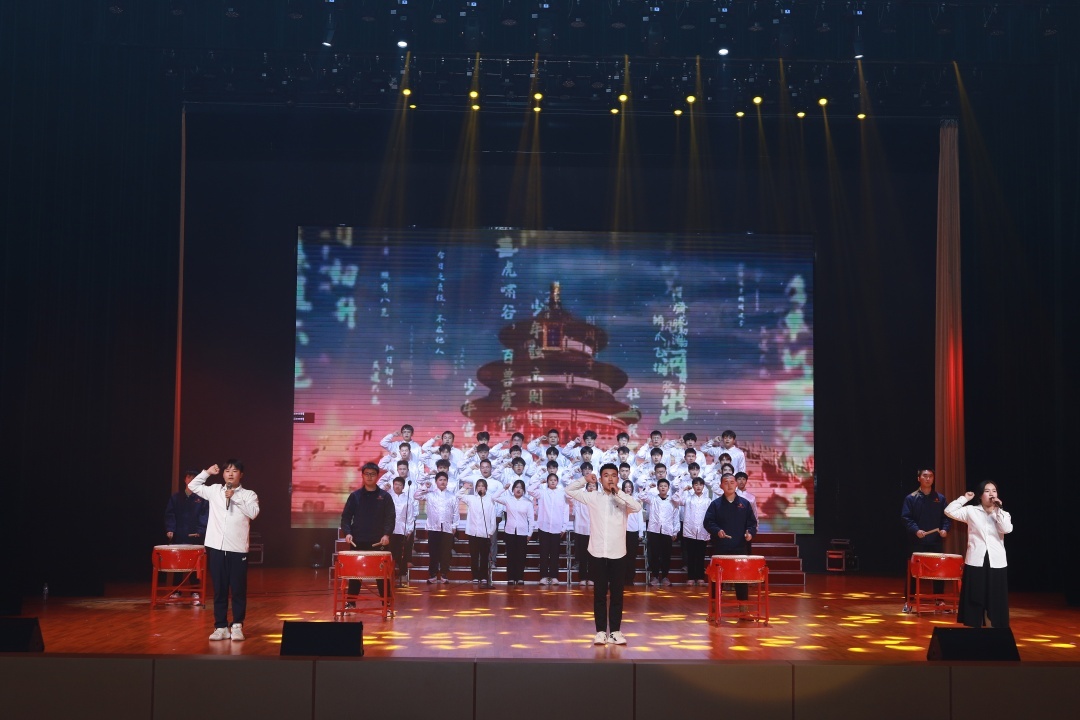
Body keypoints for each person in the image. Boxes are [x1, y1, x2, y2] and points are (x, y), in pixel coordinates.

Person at [565, 463, 643, 645]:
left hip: (618, 552)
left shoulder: (623, 499)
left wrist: (619, 493)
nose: (610, 478)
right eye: (606, 475)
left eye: (613, 475)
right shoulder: (593, 497)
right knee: (599, 594)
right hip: (597, 552)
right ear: (600, 479)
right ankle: (600, 631)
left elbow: (637, 507)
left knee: (617, 594)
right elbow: (569, 490)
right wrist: (585, 479)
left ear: (618, 478)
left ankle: (615, 631)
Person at [189, 460, 260, 641]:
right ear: (223, 474)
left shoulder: (248, 494)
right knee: (219, 589)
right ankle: (220, 626)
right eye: (227, 470)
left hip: (238, 549)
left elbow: (253, 513)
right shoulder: (214, 491)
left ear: (241, 475)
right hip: (217, 548)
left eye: (234, 471)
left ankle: (237, 625)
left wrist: (234, 497)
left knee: (237, 589)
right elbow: (193, 486)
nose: (230, 474)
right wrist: (207, 472)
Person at [945, 481, 1013, 628]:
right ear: (981, 495)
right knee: (975, 595)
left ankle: (993, 627)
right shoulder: (971, 511)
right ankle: (974, 628)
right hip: (976, 560)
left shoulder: (1003, 514)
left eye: (994, 491)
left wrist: (999, 510)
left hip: (996, 561)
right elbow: (949, 511)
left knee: (995, 597)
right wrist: (964, 498)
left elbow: (1006, 529)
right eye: (987, 491)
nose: (991, 494)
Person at [340, 462, 396, 603]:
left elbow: (390, 518)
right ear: (362, 475)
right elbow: (346, 517)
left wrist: (386, 534)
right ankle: (351, 603)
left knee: (382, 576)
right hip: (358, 541)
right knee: (355, 574)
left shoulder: (385, 497)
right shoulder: (355, 496)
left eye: (372, 474)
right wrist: (347, 533)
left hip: (379, 542)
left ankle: (387, 604)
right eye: (367, 474)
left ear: (377, 476)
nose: (369, 477)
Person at [900, 468, 951, 612]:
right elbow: (906, 518)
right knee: (913, 572)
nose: (928, 479)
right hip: (917, 542)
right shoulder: (911, 498)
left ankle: (939, 600)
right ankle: (909, 601)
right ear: (919, 478)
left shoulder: (940, 498)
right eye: (925, 476)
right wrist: (916, 530)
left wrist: (945, 529)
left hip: (935, 541)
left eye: (931, 476)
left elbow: (946, 517)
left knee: (938, 572)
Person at [703, 473, 757, 605]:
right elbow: (708, 522)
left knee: (741, 578)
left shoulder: (745, 504)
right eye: (726, 483)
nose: (729, 485)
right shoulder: (715, 504)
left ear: (736, 484)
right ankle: (714, 607)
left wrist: (750, 533)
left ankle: (743, 607)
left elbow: (752, 523)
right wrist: (717, 531)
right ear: (721, 486)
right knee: (717, 578)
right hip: (720, 546)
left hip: (740, 546)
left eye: (732, 482)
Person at [163, 469, 209, 603]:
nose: (191, 480)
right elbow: (170, 514)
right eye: (189, 477)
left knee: (195, 565)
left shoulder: (202, 499)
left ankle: (195, 592)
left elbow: (205, 516)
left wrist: (200, 530)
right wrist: (170, 529)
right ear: (185, 479)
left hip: (195, 536)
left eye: (194, 478)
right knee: (178, 564)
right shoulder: (176, 497)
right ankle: (176, 591)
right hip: (179, 534)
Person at [457, 474, 504, 587]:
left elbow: (492, 518)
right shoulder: (471, 499)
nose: (480, 488)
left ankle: (483, 577)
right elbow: (458, 495)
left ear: (486, 488)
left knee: (484, 556)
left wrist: (491, 532)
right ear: (476, 488)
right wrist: (464, 487)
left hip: (485, 533)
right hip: (472, 532)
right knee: (474, 556)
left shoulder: (490, 500)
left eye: (482, 486)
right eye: (478, 486)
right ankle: (475, 576)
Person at [415, 471, 458, 584]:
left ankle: (444, 574)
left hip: (447, 528)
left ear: (447, 482)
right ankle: (433, 574)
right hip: (433, 527)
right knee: (433, 552)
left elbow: (456, 512)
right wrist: (425, 486)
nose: (442, 482)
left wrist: (454, 525)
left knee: (446, 552)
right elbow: (416, 496)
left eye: (444, 480)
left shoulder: (452, 496)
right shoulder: (430, 495)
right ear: (436, 482)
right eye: (440, 480)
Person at [530, 472, 570, 585]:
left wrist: (564, 527)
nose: (552, 482)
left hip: (557, 528)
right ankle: (543, 576)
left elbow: (565, 510)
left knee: (554, 553)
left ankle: (554, 576)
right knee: (543, 553)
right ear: (547, 481)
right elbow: (530, 490)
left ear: (557, 482)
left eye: (554, 480)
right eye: (550, 480)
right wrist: (539, 481)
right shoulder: (542, 492)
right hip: (543, 527)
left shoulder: (562, 493)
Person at [641, 477, 681, 586]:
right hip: (654, 530)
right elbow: (641, 496)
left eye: (665, 486)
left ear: (668, 488)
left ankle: (664, 577)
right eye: (661, 486)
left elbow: (675, 517)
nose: (663, 488)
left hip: (667, 531)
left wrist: (675, 531)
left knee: (666, 555)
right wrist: (648, 487)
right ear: (658, 488)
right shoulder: (653, 499)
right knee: (654, 554)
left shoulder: (672, 501)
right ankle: (654, 576)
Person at [494, 479, 534, 585]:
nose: (518, 489)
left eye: (521, 487)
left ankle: (520, 577)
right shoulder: (508, 499)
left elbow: (531, 519)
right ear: (513, 489)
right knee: (511, 556)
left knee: (521, 556)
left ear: (524, 490)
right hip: (510, 532)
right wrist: (504, 488)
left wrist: (530, 533)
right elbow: (494, 497)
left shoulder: (528, 502)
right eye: (516, 487)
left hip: (523, 532)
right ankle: (511, 578)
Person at [386, 474, 419, 586]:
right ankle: (388, 574)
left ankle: (402, 574)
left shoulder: (408, 499)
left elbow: (410, 516)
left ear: (403, 486)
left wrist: (409, 530)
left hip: (402, 529)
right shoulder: (388, 498)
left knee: (402, 553)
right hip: (390, 530)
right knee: (390, 552)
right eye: (395, 484)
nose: (397, 486)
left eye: (400, 485)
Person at [680, 477, 712, 586]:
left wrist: (709, 529)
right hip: (690, 530)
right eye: (696, 484)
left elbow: (709, 516)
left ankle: (700, 577)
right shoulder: (688, 499)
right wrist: (683, 490)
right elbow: (676, 500)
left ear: (703, 486)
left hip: (703, 530)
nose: (698, 487)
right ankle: (690, 577)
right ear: (693, 486)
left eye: (700, 484)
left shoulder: (708, 501)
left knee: (700, 555)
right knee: (691, 555)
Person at [621, 477, 644, 586]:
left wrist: (640, 532)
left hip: (633, 531)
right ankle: (621, 577)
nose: (628, 489)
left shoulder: (636, 501)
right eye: (626, 487)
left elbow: (640, 517)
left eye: (629, 487)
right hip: (621, 531)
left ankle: (630, 578)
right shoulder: (619, 500)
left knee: (631, 556)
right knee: (621, 556)